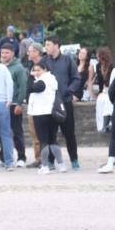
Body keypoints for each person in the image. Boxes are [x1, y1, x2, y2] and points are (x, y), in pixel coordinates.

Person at [43, 35, 82, 169]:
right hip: (48, 103)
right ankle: (50, 161)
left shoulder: (68, 60)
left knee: (69, 133)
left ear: (57, 45)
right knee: (50, 133)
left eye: (48, 44)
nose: (46, 47)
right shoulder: (44, 61)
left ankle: (74, 160)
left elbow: (77, 78)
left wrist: (68, 90)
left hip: (64, 101)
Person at [27, 58, 66, 175]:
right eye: (34, 70)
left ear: (45, 69)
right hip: (52, 113)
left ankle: (45, 166)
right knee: (53, 140)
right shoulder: (52, 79)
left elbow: (32, 88)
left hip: (41, 113)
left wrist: (30, 77)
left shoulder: (43, 80)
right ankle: (61, 164)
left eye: (38, 70)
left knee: (43, 141)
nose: (36, 73)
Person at [0, 45, 28, 168]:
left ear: (12, 53)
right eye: (2, 53)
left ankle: (21, 157)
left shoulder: (18, 68)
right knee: (2, 132)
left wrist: (19, 103)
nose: (4, 55)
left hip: (14, 104)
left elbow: (23, 87)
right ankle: (4, 157)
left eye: (6, 53)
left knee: (17, 132)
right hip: (1, 104)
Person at [24, 43, 44, 167]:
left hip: (42, 105)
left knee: (42, 134)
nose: (27, 53)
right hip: (32, 105)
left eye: (30, 51)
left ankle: (46, 158)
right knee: (34, 134)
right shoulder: (31, 66)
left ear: (37, 52)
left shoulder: (45, 65)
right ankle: (38, 158)